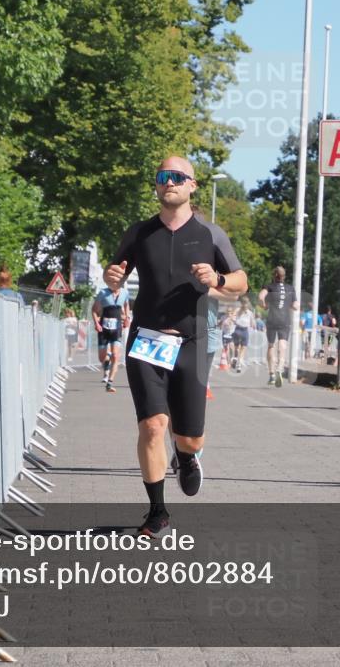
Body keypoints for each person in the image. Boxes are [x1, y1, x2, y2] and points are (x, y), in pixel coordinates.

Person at [104, 156, 246, 538]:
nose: (170, 182)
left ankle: (185, 456)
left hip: (192, 345)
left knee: (190, 435)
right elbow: (114, 273)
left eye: (177, 177)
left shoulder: (210, 234)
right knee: (153, 426)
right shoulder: (139, 233)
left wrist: (216, 278)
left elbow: (241, 281)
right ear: (157, 185)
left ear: (192, 186)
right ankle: (157, 512)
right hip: (147, 340)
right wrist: (112, 275)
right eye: (163, 177)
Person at [258, 266, 298, 387]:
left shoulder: (269, 286)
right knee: (283, 345)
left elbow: (260, 297)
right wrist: (288, 306)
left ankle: (272, 375)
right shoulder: (290, 288)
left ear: (274, 275)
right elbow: (296, 306)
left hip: (272, 319)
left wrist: (264, 306)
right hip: (285, 319)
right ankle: (280, 368)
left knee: (271, 345)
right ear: (284, 276)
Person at [92, 281, 131, 393]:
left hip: (117, 328)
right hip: (104, 328)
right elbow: (94, 310)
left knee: (116, 355)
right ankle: (106, 361)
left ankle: (110, 383)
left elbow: (127, 305)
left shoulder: (125, 293)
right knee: (102, 358)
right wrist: (96, 323)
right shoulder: (103, 293)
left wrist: (127, 318)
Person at [231, 297, 254, 373]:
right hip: (244, 331)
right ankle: (239, 364)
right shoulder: (250, 312)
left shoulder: (237, 310)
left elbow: (233, 318)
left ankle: (235, 358)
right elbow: (252, 324)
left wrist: (235, 321)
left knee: (236, 347)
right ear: (248, 303)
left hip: (237, 329)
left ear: (241, 303)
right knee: (243, 349)